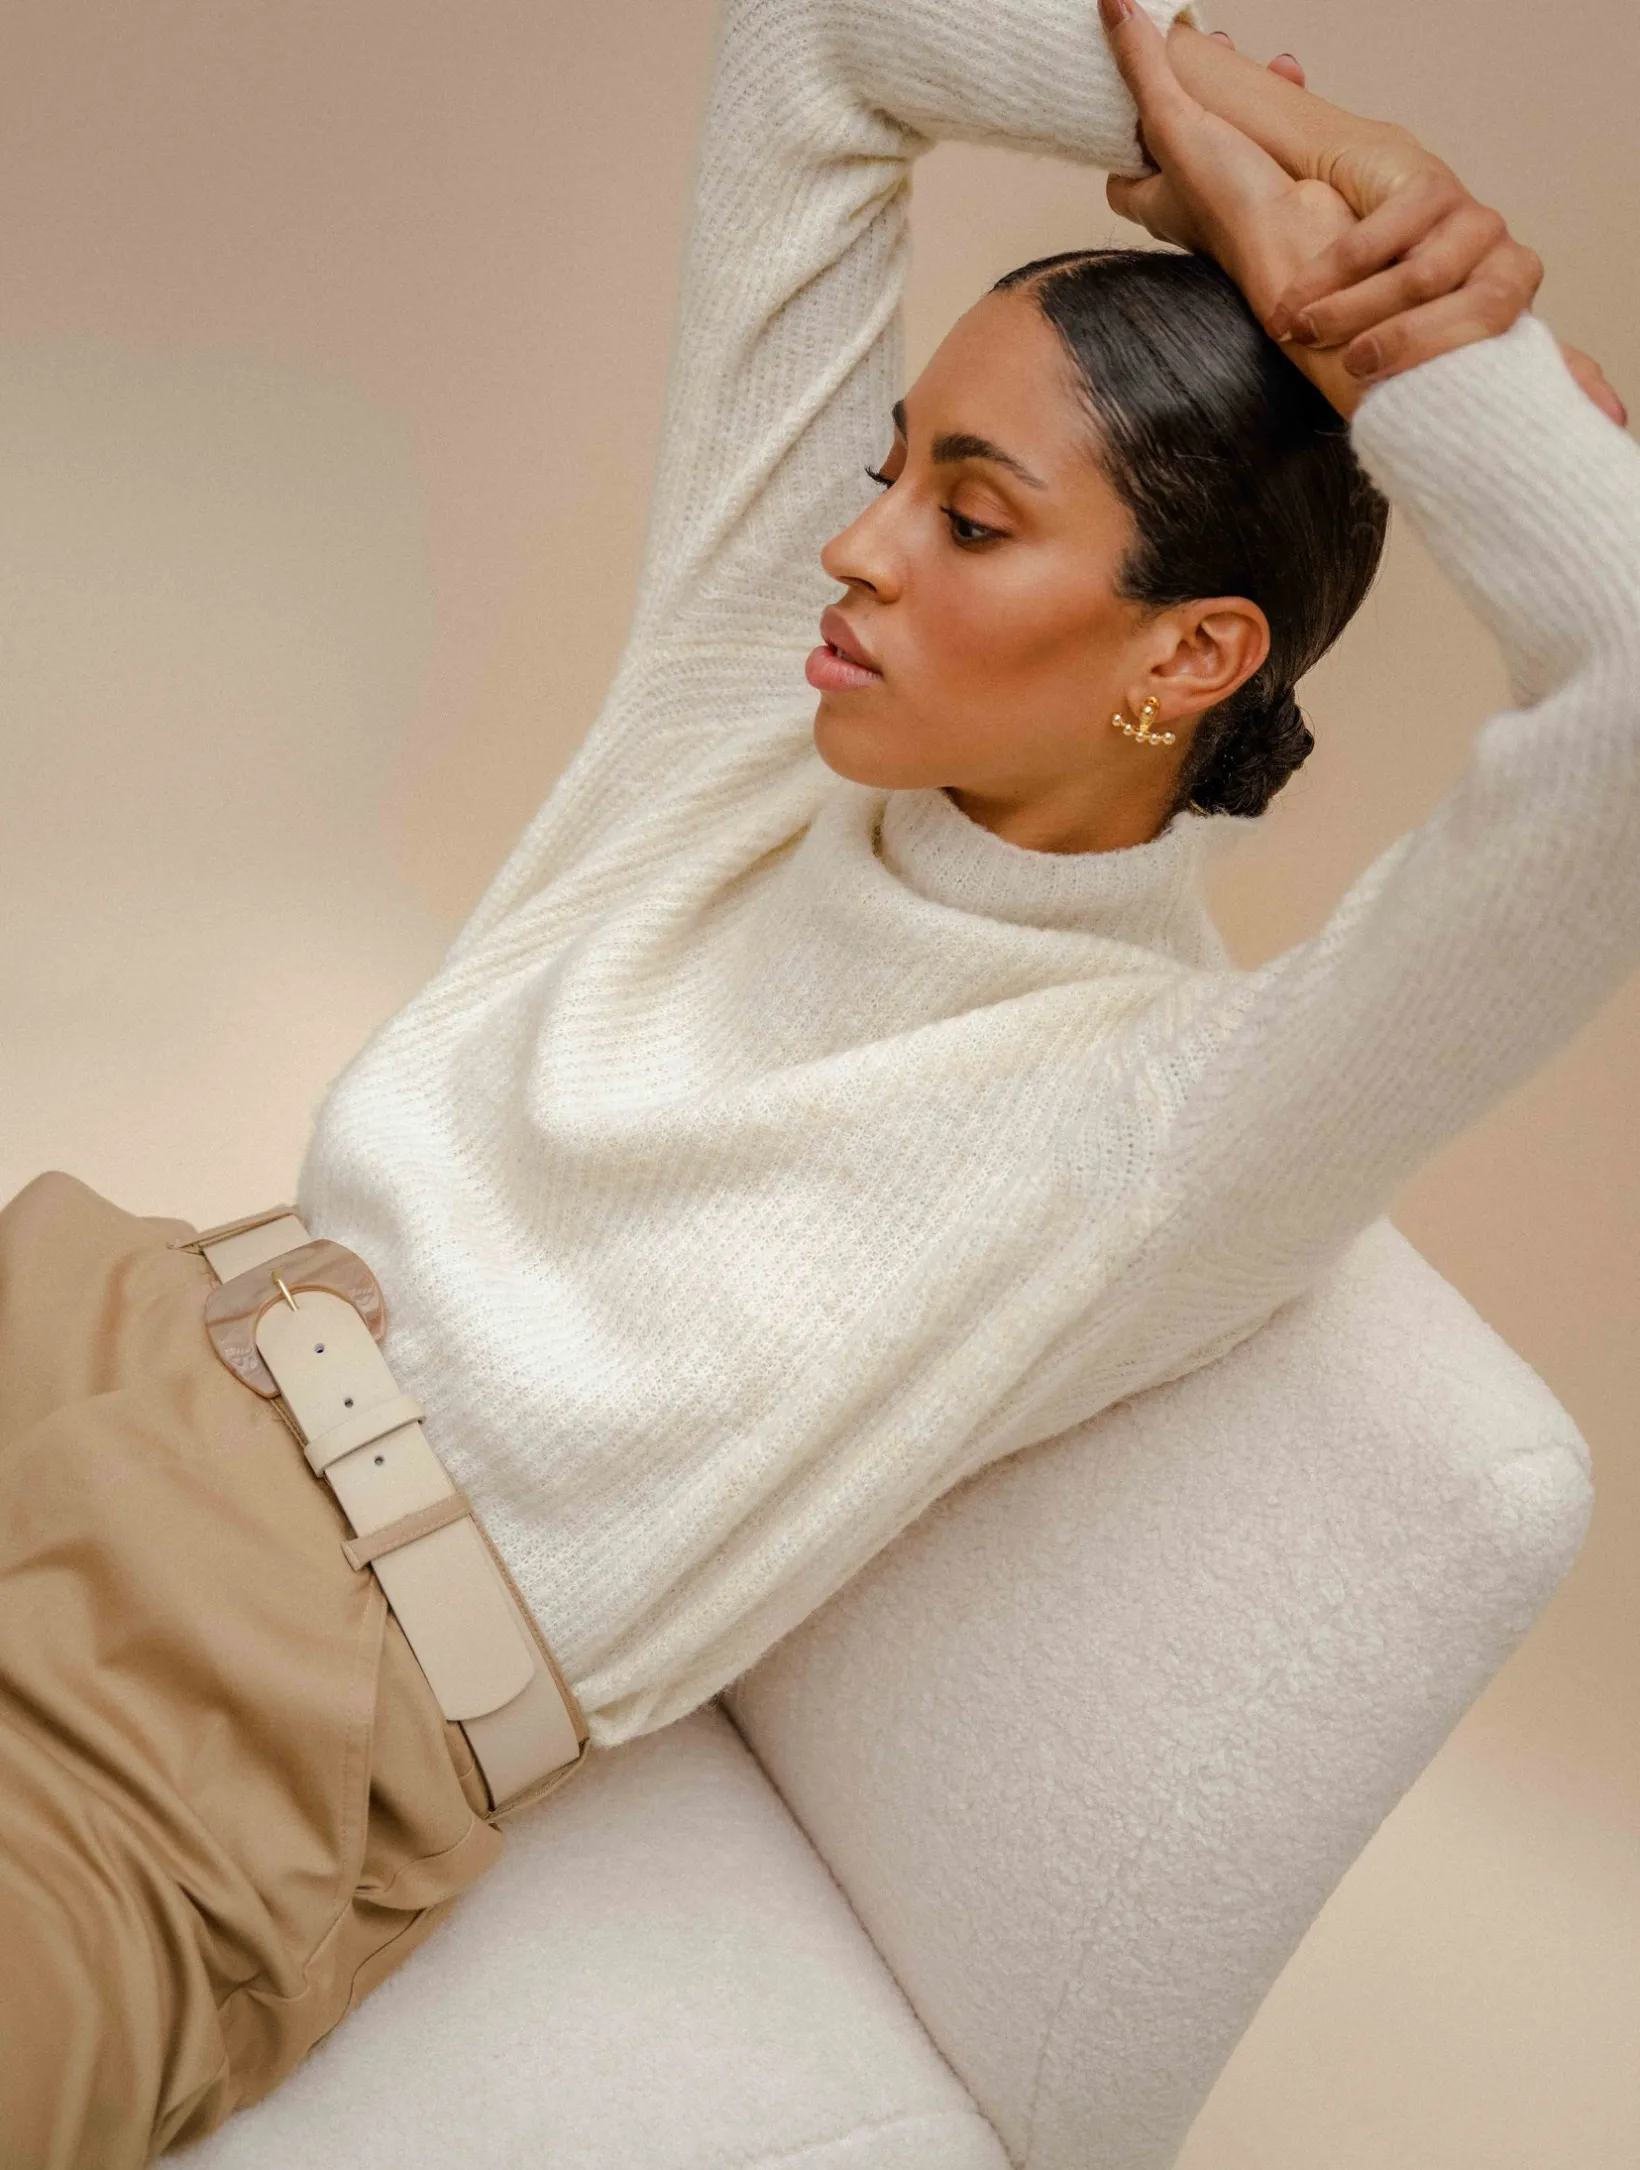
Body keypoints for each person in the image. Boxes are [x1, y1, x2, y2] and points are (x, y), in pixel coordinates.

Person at [2, 2, 1635, 2162]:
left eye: (973, 518)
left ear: (1187, 653)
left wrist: (1396, 332)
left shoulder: (1163, 1119)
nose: (859, 551)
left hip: (235, 1735)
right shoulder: (748, 717)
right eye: (889, 473)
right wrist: (1247, 148)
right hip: (91, 1341)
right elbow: (819, 47)